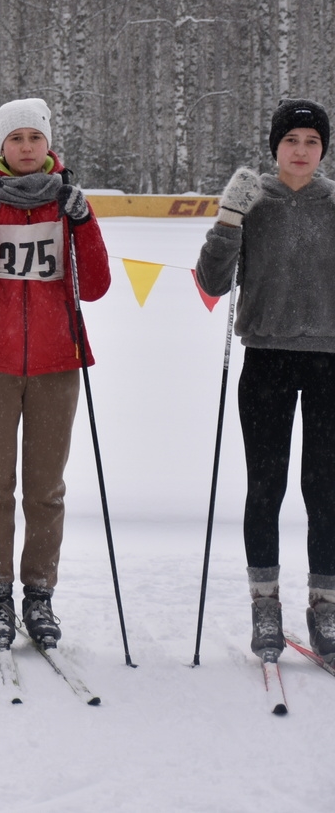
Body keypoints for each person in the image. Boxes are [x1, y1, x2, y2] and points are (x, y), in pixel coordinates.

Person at [0, 97, 109, 650]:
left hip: (57, 364)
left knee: (45, 489)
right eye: (17, 140)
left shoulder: (66, 200)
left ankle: (38, 592)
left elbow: (99, 284)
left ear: (48, 144)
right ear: (1, 147)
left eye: (35, 139)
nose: (27, 148)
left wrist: (83, 221)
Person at [196, 99, 335, 660]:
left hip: (329, 360)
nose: (301, 151)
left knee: (324, 490)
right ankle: (266, 605)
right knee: (266, 487)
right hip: (267, 361)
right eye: (291, 141)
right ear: (275, 147)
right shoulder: (255, 201)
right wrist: (229, 219)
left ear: (323, 149)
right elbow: (212, 280)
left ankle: (325, 607)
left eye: (311, 141)